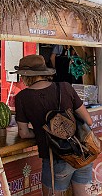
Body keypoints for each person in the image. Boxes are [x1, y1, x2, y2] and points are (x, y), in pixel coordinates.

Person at [13, 54, 93, 196]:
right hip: (83, 152)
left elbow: (24, 133)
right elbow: (89, 121)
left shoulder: (22, 98)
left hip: (56, 157)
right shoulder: (65, 87)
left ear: (25, 76)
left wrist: (42, 131)